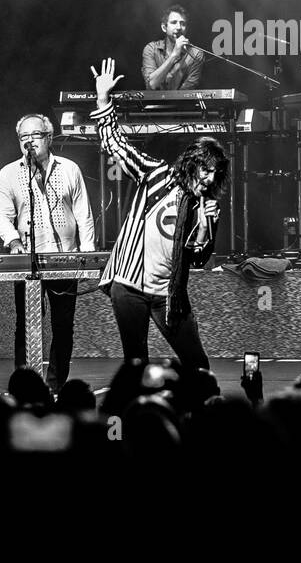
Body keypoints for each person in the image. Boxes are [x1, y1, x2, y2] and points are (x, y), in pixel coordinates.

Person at [89, 58, 227, 370]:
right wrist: (103, 100)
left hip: (168, 293)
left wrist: (206, 229)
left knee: (198, 364)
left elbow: (197, 260)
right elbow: (118, 148)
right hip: (129, 286)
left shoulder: (203, 206)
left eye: (213, 174)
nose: (207, 178)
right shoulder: (157, 175)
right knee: (136, 365)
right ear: (192, 162)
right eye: (205, 169)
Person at [0, 112, 96, 392]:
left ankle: (55, 385)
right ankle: (24, 384)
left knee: (63, 326)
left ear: (49, 138)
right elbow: (2, 215)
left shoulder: (69, 169)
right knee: (26, 326)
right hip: (28, 261)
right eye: (23, 137)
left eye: (35, 136)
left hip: (65, 258)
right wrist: (14, 241)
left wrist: (86, 256)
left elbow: (83, 213)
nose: (29, 142)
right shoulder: (10, 173)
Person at [141, 4, 205, 90]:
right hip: (154, 103)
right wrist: (174, 55)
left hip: (182, 103)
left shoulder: (196, 54)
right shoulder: (151, 49)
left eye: (183, 24)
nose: (178, 27)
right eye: (174, 22)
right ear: (164, 27)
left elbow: (187, 92)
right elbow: (152, 85)